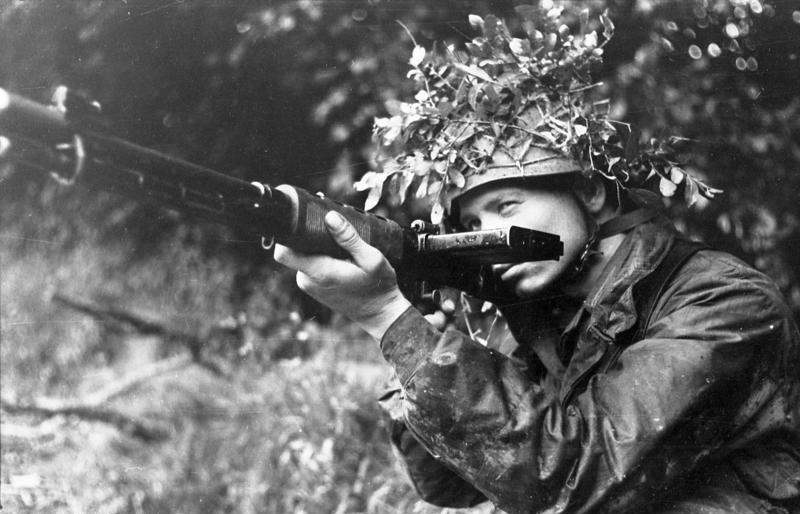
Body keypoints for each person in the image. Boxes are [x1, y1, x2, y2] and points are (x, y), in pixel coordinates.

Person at [274, 9, 800, 514]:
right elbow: (448, 484)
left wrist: (386, 316)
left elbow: (573, 478)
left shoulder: (724, 301)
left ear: (590, 194)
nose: (489, 238)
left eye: (506, 206)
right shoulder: (543, 315)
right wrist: (415, 345)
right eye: (473, 223)